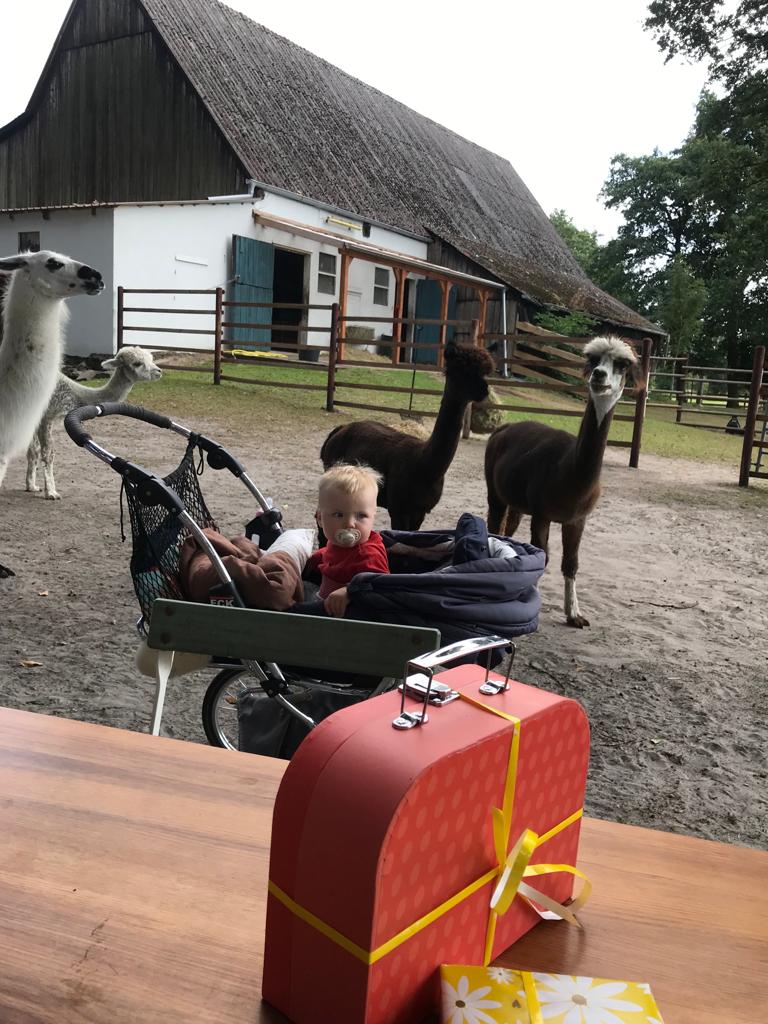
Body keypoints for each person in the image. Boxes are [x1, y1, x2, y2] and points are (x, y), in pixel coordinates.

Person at [307, 463, 390, 618]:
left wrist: (349, 591)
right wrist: (316, 557)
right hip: (324, 600)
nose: (350, 523)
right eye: (339, 515)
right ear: (319, 518)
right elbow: (331, 553)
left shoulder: (368, 554)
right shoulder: (336, 542)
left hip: (346, 616)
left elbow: (380, 586)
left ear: (373, 518)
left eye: (361, 516)